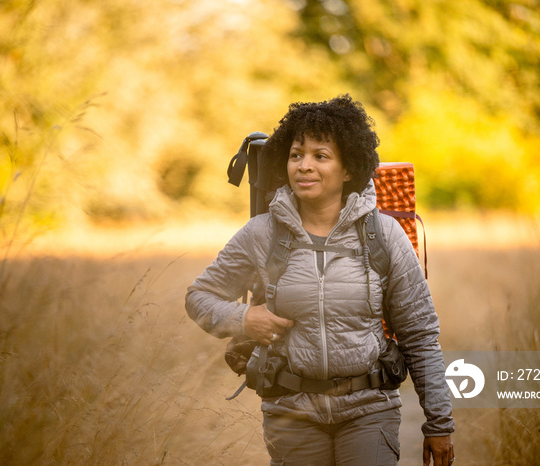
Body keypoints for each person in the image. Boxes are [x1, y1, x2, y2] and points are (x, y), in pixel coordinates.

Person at [185, 95, 455, 465]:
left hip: (369, 409)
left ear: (348, 169)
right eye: (296, 155)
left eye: (320, 156)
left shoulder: (383, 235)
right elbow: (200, 296)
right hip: (290, 412)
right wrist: (244, 319)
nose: (304, 166)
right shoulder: (261, 234)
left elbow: (420, 334)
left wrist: (439, 424)